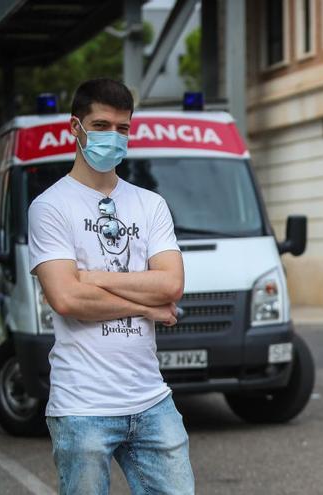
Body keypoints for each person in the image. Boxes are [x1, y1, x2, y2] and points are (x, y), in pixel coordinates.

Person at [29, 78, 194, 494]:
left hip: (152, 400)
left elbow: (171, 285)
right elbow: (66, 299)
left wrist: (92, 277)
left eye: (122, 128)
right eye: (101, 125)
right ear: (75, 127)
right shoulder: (50, 207)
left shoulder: (150, 204)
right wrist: (145, 305)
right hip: (82, 406)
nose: (113, 137)